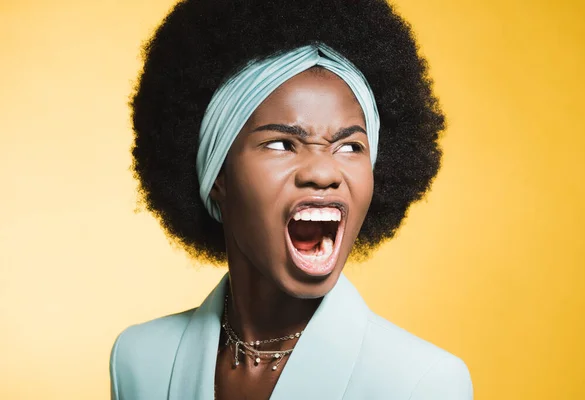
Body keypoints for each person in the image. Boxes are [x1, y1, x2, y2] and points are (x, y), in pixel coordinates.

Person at [109, 0, 473, 398]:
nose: (323, 172)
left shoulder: (422, 383)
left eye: (350, 147)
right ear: (217, 178)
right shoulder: (140, 360)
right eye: (282, 143)